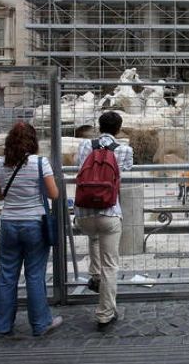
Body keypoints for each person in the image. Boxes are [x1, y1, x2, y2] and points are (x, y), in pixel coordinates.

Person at [0, 122, 62, 337]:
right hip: (34, 224)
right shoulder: (40, 163)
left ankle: (2, 326)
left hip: (9, 223)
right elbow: (53, 194)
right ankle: (40, 324)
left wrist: (13, 194)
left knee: (7, 275)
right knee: (35, 275)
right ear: (33, 141)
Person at [74, 111, 134, 331]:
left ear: (99, 126)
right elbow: (123, 173)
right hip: (109, 210)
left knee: (94, 237)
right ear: (119, 129)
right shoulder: (125, 150)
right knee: (111, 263)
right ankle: (104, 313)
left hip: (84, 212)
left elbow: (79, 166)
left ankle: (94, 275)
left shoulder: (84, 146)